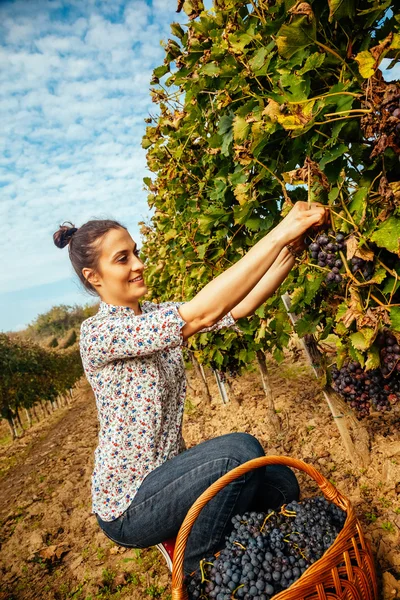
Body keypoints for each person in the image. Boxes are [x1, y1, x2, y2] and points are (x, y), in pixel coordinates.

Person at [53, 201, 327, 576]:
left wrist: (289, 252)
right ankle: (195, 564)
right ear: (94, 276)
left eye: (136, 252)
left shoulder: (151, 314)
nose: (138, 264)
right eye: (122, 258)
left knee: (280, 484)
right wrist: (281, 230)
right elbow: (202, 312)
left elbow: (237, 309)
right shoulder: (99, 334)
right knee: (241, 452)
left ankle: (206, 533)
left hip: (168, 476)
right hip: (130, 504)